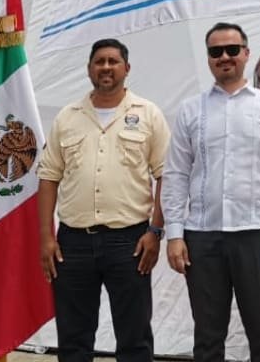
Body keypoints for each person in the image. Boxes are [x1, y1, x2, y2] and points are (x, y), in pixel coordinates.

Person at [162, 22, 260, 362]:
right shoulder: (191, 109)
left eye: (232, 49)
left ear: (246, 53)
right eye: (216, 51)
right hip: (202, 235)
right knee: (207, 338)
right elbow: (176, 173)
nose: (224, 56)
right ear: (209, 58)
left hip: (258, 232)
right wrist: (175, 234)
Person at [36, 38, 171, 362]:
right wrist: (46, 237)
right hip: (73, 243)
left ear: (127, 68)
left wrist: (155, 231)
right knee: (73, 339)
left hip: (130, 242)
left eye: (113, 61)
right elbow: (49, 176)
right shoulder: (67, 117)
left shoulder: (148, 114)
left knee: (134, 338)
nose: (106, 67)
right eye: (99, 61)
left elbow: (166, 176)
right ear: (89, 69)